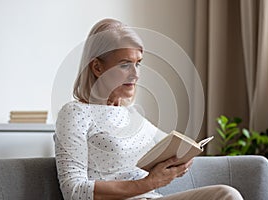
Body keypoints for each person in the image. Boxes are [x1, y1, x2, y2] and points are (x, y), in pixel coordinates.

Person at [54, 18, 243, 200]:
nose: (135, 74)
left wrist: (183, 158)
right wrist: (149, 183)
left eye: (138, 63)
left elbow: (170, 145)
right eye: (125, 64)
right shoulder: (75, 114)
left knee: (226, 195)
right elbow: (74, 190)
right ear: (97, 67)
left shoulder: (132, 115)